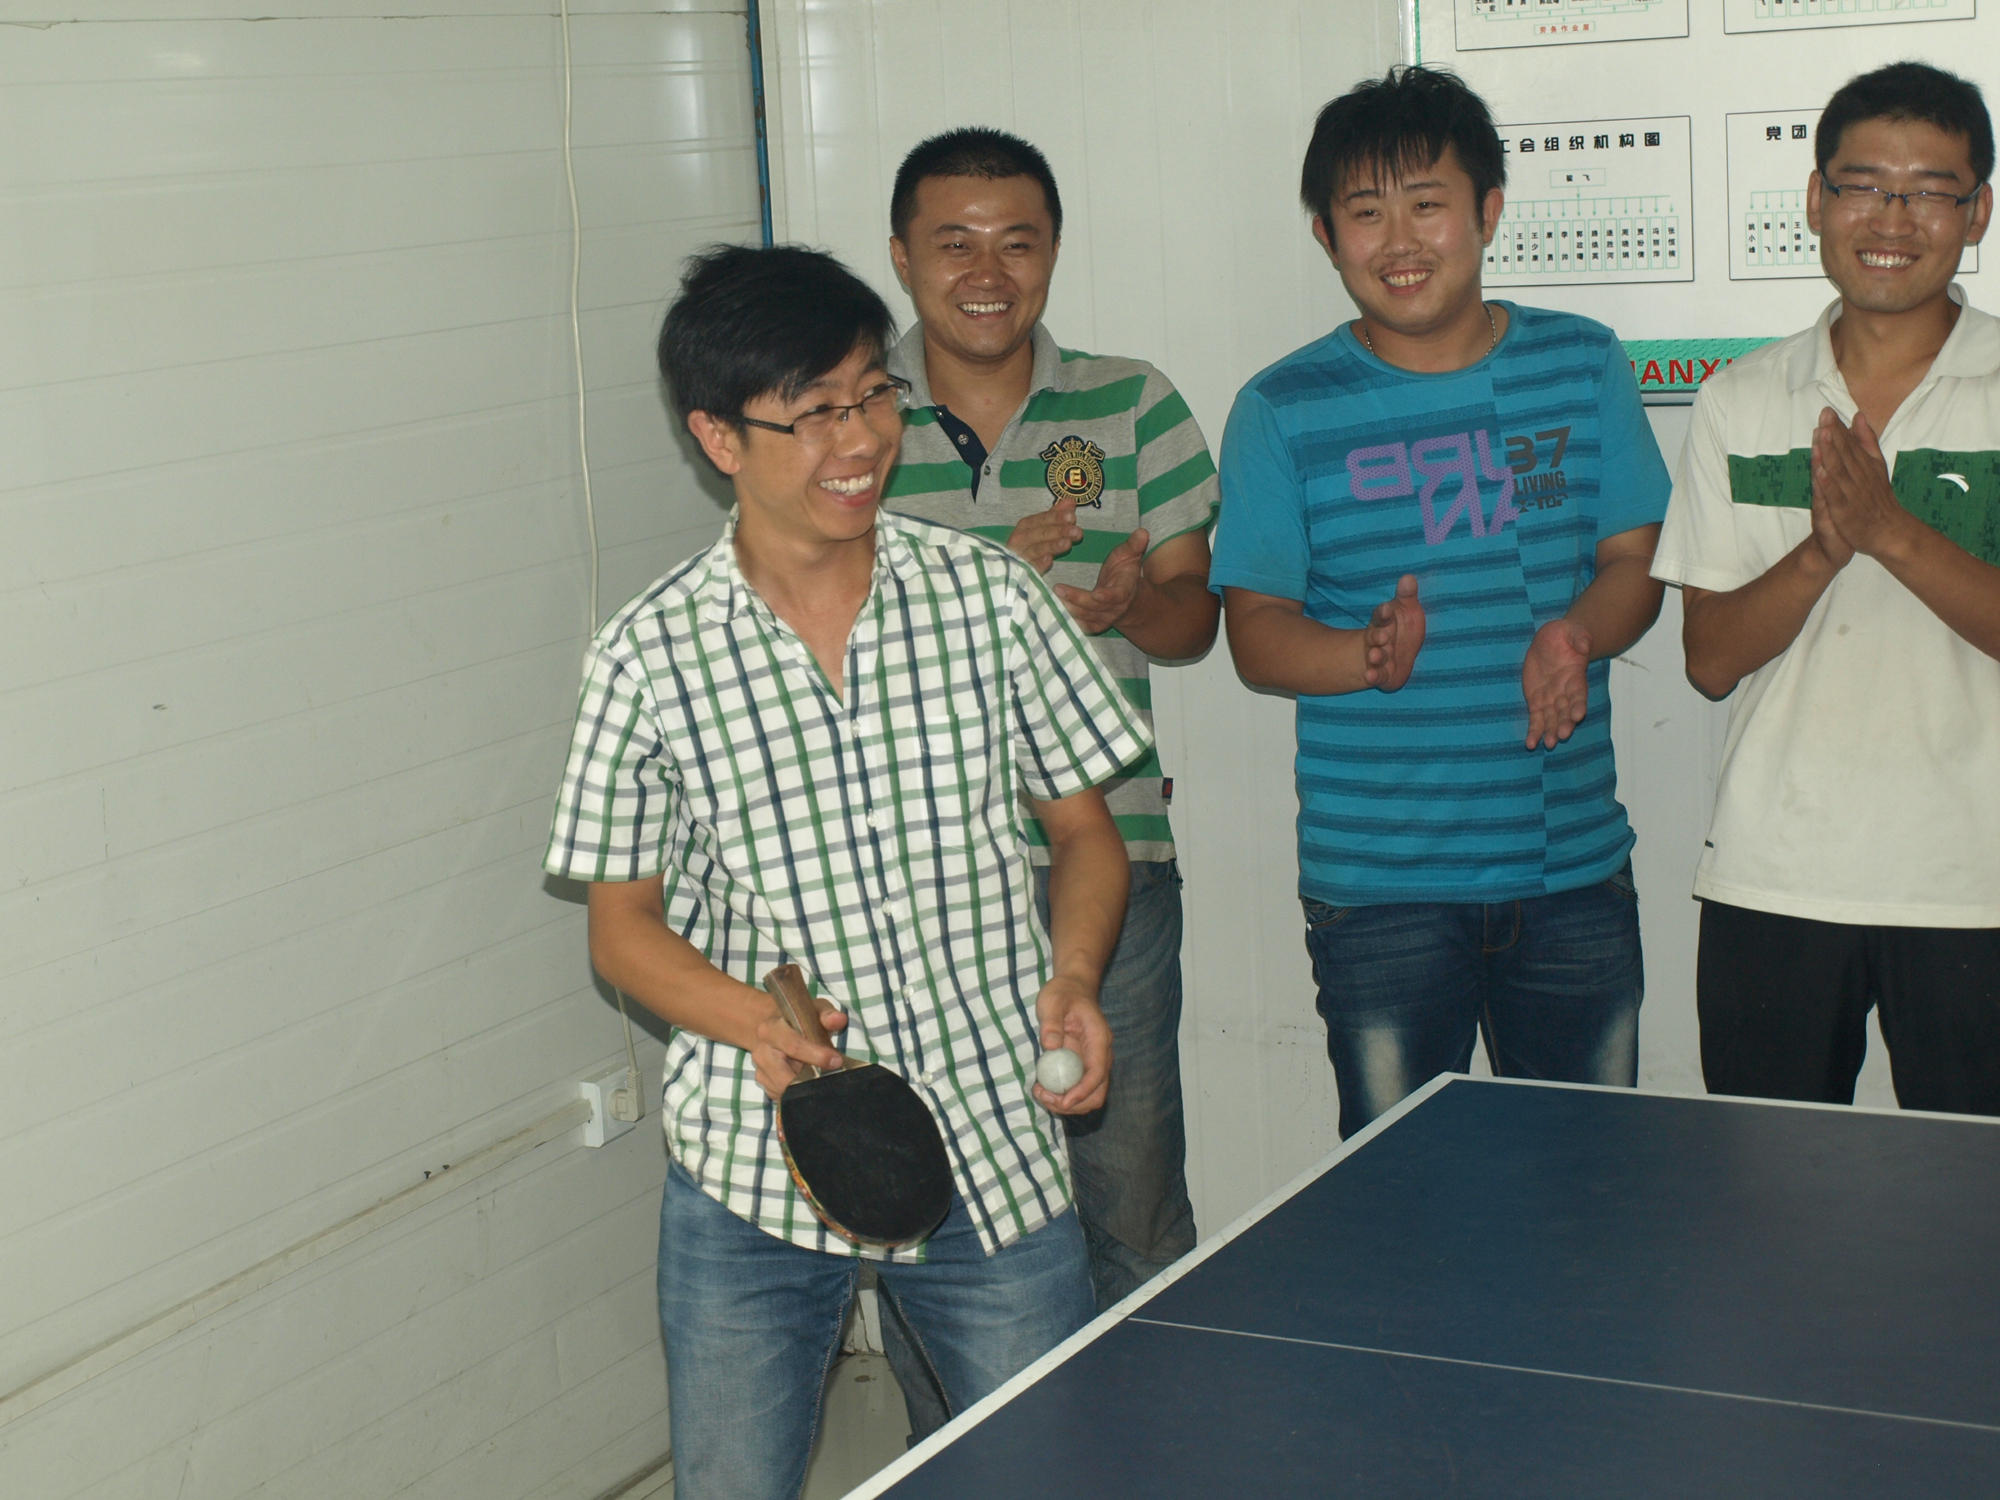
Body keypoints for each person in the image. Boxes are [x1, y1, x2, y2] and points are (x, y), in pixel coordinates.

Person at [543, 244, 1151, 1499]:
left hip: (992, 1138)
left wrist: (1076, 975)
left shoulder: (990, 598)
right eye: (813, 412)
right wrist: (752, 1020)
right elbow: (621, 929)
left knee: (1049, 1472)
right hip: (753, 1169)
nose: (860, 439)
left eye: (873, 393)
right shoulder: (647, 656)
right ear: (719, 437)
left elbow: (1085, 831)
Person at [1209, 65, 1671, 1140]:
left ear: (1488, 211)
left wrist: (1575, 634)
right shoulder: (1281, 407)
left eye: (1427, 204)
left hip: (1570, 870)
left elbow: (1636, 563)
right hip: (1381, 890)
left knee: (1591, 1182)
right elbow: (1256, 637)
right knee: (1399, 1197)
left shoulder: (1581, 363)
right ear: (1326, 235)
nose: (1400, 241)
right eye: (1366, 213)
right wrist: (1363, 658)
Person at [881, 127, 1215, 1304]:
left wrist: (1131, 605)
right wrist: (986, 589)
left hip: (1109, 865)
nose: (987, 273)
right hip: (910, 888)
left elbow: (1194, 622)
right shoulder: (848, 418)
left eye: (1016, 243)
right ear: (901, 256)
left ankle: (1152, 1414)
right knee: (938, 1225)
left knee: (1129, 1203)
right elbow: (820, 638)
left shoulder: (1131, 403)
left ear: (1053, 252)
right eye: (953, 244)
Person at [1652, 61, 2000, 1114]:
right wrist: (1821, 551)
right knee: (1766, 1197)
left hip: (1976, 885)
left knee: (1973, 1200)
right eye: (1862, 185)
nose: (1891, 218)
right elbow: (1708, 660)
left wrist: (1891, 533)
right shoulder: (1740, 398)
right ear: (1814, 199)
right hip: (1774, 875)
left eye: (1929, 190)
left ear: (1977, 213)